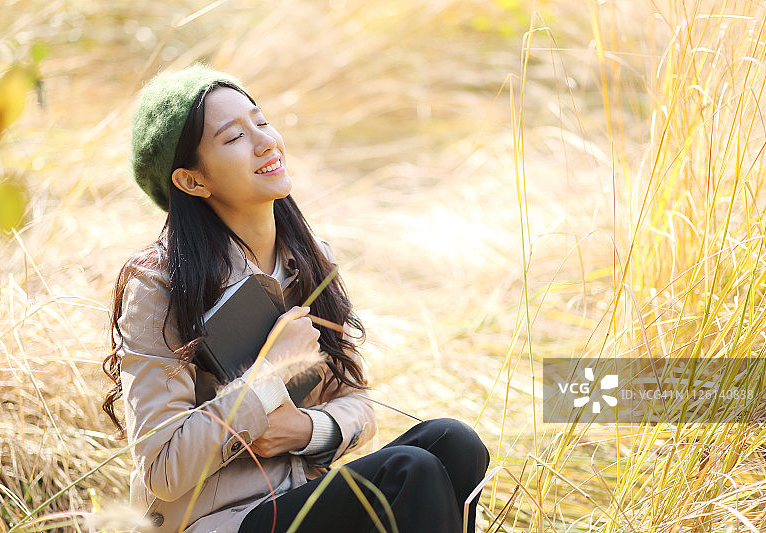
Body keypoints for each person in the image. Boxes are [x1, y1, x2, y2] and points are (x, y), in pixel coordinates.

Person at [102, 64, 490, 533]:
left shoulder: (307, 257)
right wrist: (271, 375)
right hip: (221, 520)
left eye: (261, 122)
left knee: (454, 443)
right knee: (409, 471)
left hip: (299, 494)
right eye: (232, 138)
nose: (265, 142)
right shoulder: (160, 283)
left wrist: (308, 431)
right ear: (192, 181)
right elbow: (162, 467)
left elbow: (356, 401)